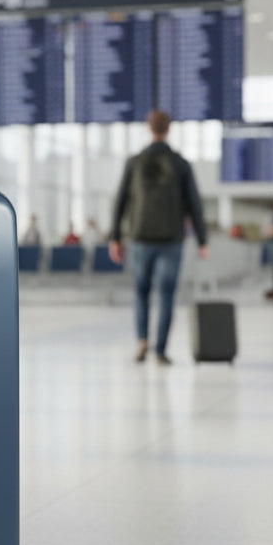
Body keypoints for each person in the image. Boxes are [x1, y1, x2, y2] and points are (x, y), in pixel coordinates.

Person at [109, 109, 208, 365]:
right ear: (168, 129)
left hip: (140, 238)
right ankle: (161, 350)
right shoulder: (180, 163)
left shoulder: (134, 162)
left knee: (141, 292)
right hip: (171, 239)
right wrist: (202, 240)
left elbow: (120, 201)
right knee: (166, 295)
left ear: (148, 128)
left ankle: (142, 340)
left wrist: (115, 237)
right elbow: (194, 203)